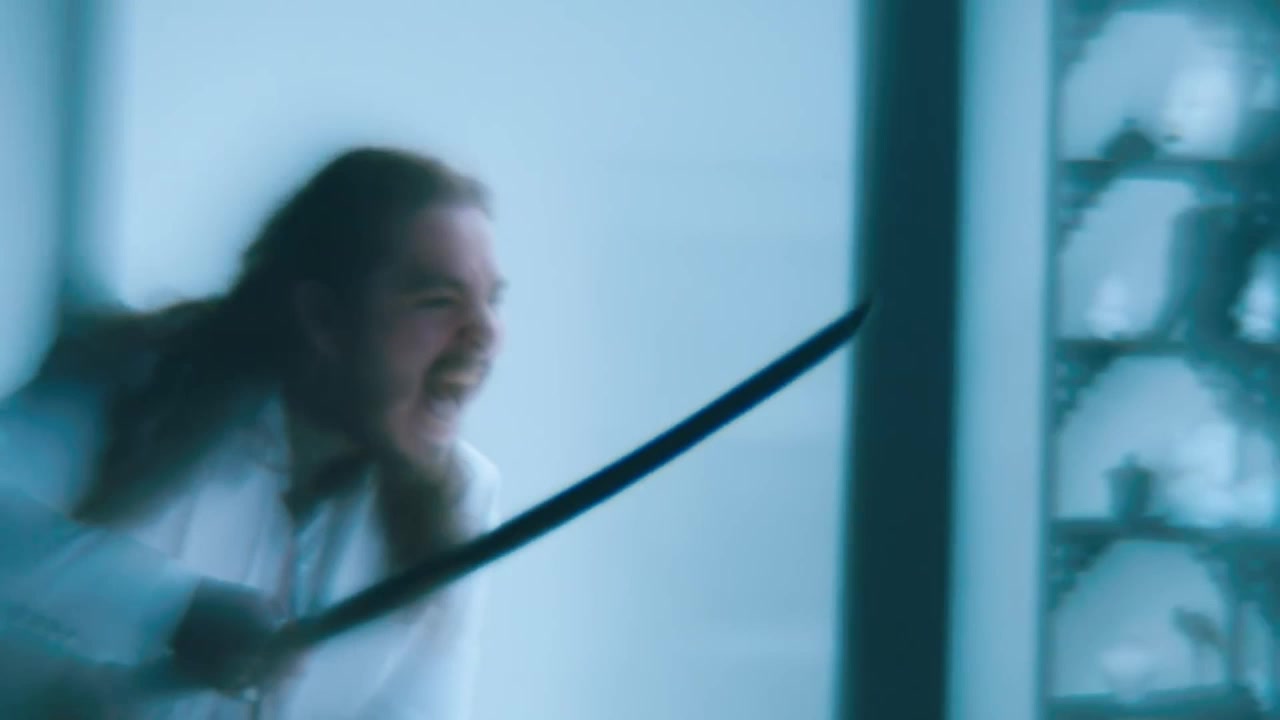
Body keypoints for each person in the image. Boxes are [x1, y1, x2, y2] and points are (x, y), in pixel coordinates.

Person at [0, 147, 506, 719]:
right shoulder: (135, 387)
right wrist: (172, 610)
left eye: (493, 301)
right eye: (438, 301)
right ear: (323, 317)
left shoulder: (464, 496)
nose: (486, 334)